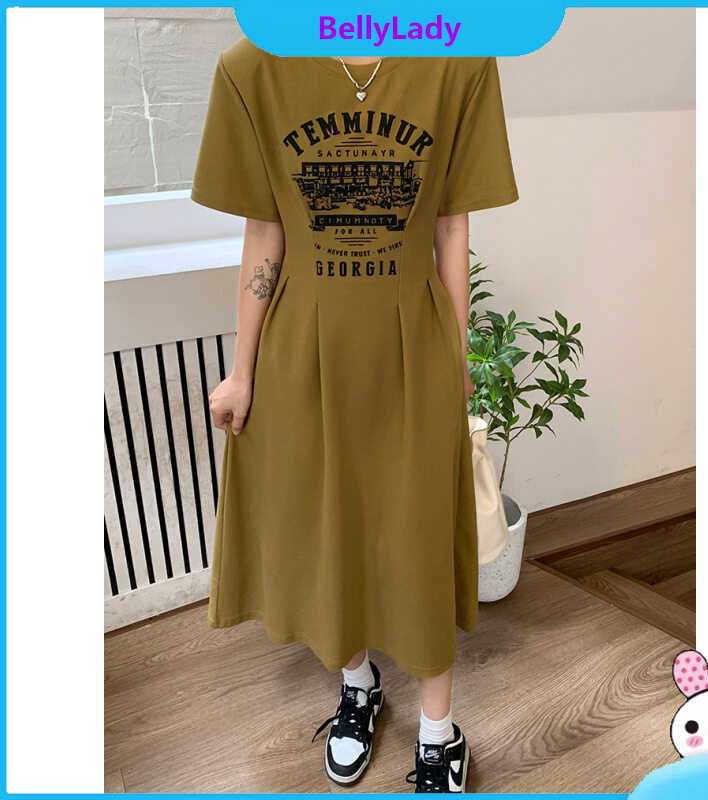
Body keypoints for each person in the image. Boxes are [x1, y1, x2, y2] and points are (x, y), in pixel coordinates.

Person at [191, 40, 518, 793]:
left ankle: (438, 732)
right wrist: (242, 371)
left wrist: (456, 361)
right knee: (325, 524)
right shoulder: (252, 68)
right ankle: (358, 685)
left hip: (412, 346)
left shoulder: (461, 64)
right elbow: (265, 233)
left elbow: (452, 227)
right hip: (303, 351)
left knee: (418, 534)